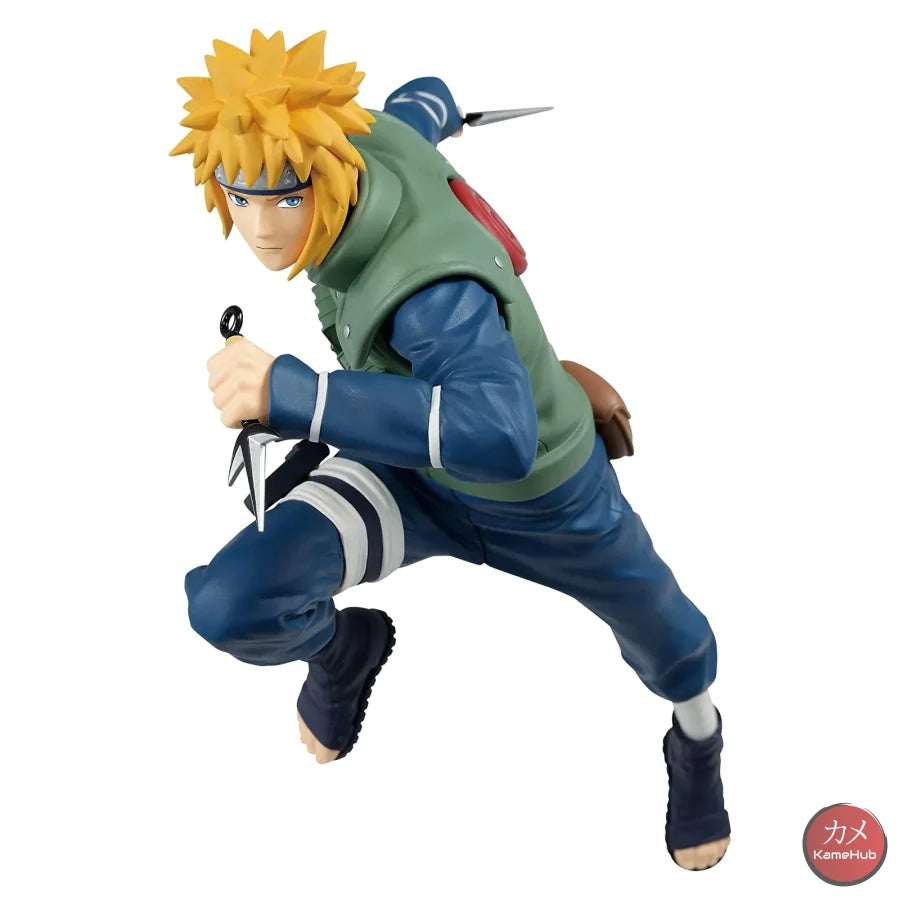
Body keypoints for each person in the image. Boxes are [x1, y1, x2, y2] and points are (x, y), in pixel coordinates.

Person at [171, 29, 731, 869]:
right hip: (407, 471)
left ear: (328, 168)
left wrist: (299, 398)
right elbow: (414, 105)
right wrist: (439, 105)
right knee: (231, 602)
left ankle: (698, 743)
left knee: (672, 639)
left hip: (541, 498)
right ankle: (344, 652)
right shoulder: (362, 139)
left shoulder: (433, 292)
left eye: (284, 199)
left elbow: (499, 437)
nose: (260, 228)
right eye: (239, 196)